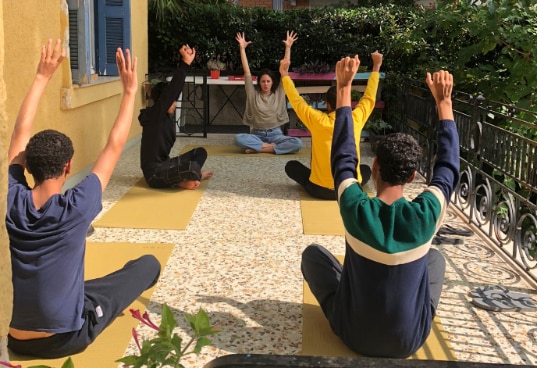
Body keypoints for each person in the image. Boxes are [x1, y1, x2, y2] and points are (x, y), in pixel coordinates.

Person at [6, 39, 161, 358]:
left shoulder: (10, 198)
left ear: (27, 165)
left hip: (11, 336)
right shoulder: (77, 206)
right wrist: (130, 91)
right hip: (65, 338)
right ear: (69, 167)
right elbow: (115, 145)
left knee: (87, 288)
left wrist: (40, 77)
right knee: (147, 266)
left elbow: (18, 136)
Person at [301, 54, 459, 358]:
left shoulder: (355, 208)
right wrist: (444, 104)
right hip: (408, 341)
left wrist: (344, 88)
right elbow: (448, 169)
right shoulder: (427, 215)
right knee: (435, 259)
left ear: (373, 166)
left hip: (352, 334)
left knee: (312, 256)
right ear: (413, 176)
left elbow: (344, 158)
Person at [280, 41, 382, 199]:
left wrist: (285, 75)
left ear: (327, 104)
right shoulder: (356, 118)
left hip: (319, 189)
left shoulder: (318, 120)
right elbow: (369, 98)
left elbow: (297, 101)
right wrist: (376, 68)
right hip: (349, 190)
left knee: (291, 166)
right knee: (364, 170)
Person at [139, 45, 213, 190]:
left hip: (166, 166)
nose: (175, 104)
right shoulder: (154, 115)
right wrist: (185, 64)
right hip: (154, 174)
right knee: (191, 168)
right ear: (163, 100)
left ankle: (189, 176)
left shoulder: (166, 118)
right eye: (172, 100)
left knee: (200, 152)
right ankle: (187, 178)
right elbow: (172, 91)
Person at [233, 31, 303, 154]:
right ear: (259, 82)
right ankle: (270, 148)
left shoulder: (279, 93)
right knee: (238, 139)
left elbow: (284, 70)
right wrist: (242, 49)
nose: (265, 84)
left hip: (276, 135)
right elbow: (247, 72)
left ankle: (260, 148)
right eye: (263, 81)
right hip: (256, 134)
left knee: (297, 143)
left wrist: (288, 47)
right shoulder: (253, 94)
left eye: (268, 81)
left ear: (272, 82)